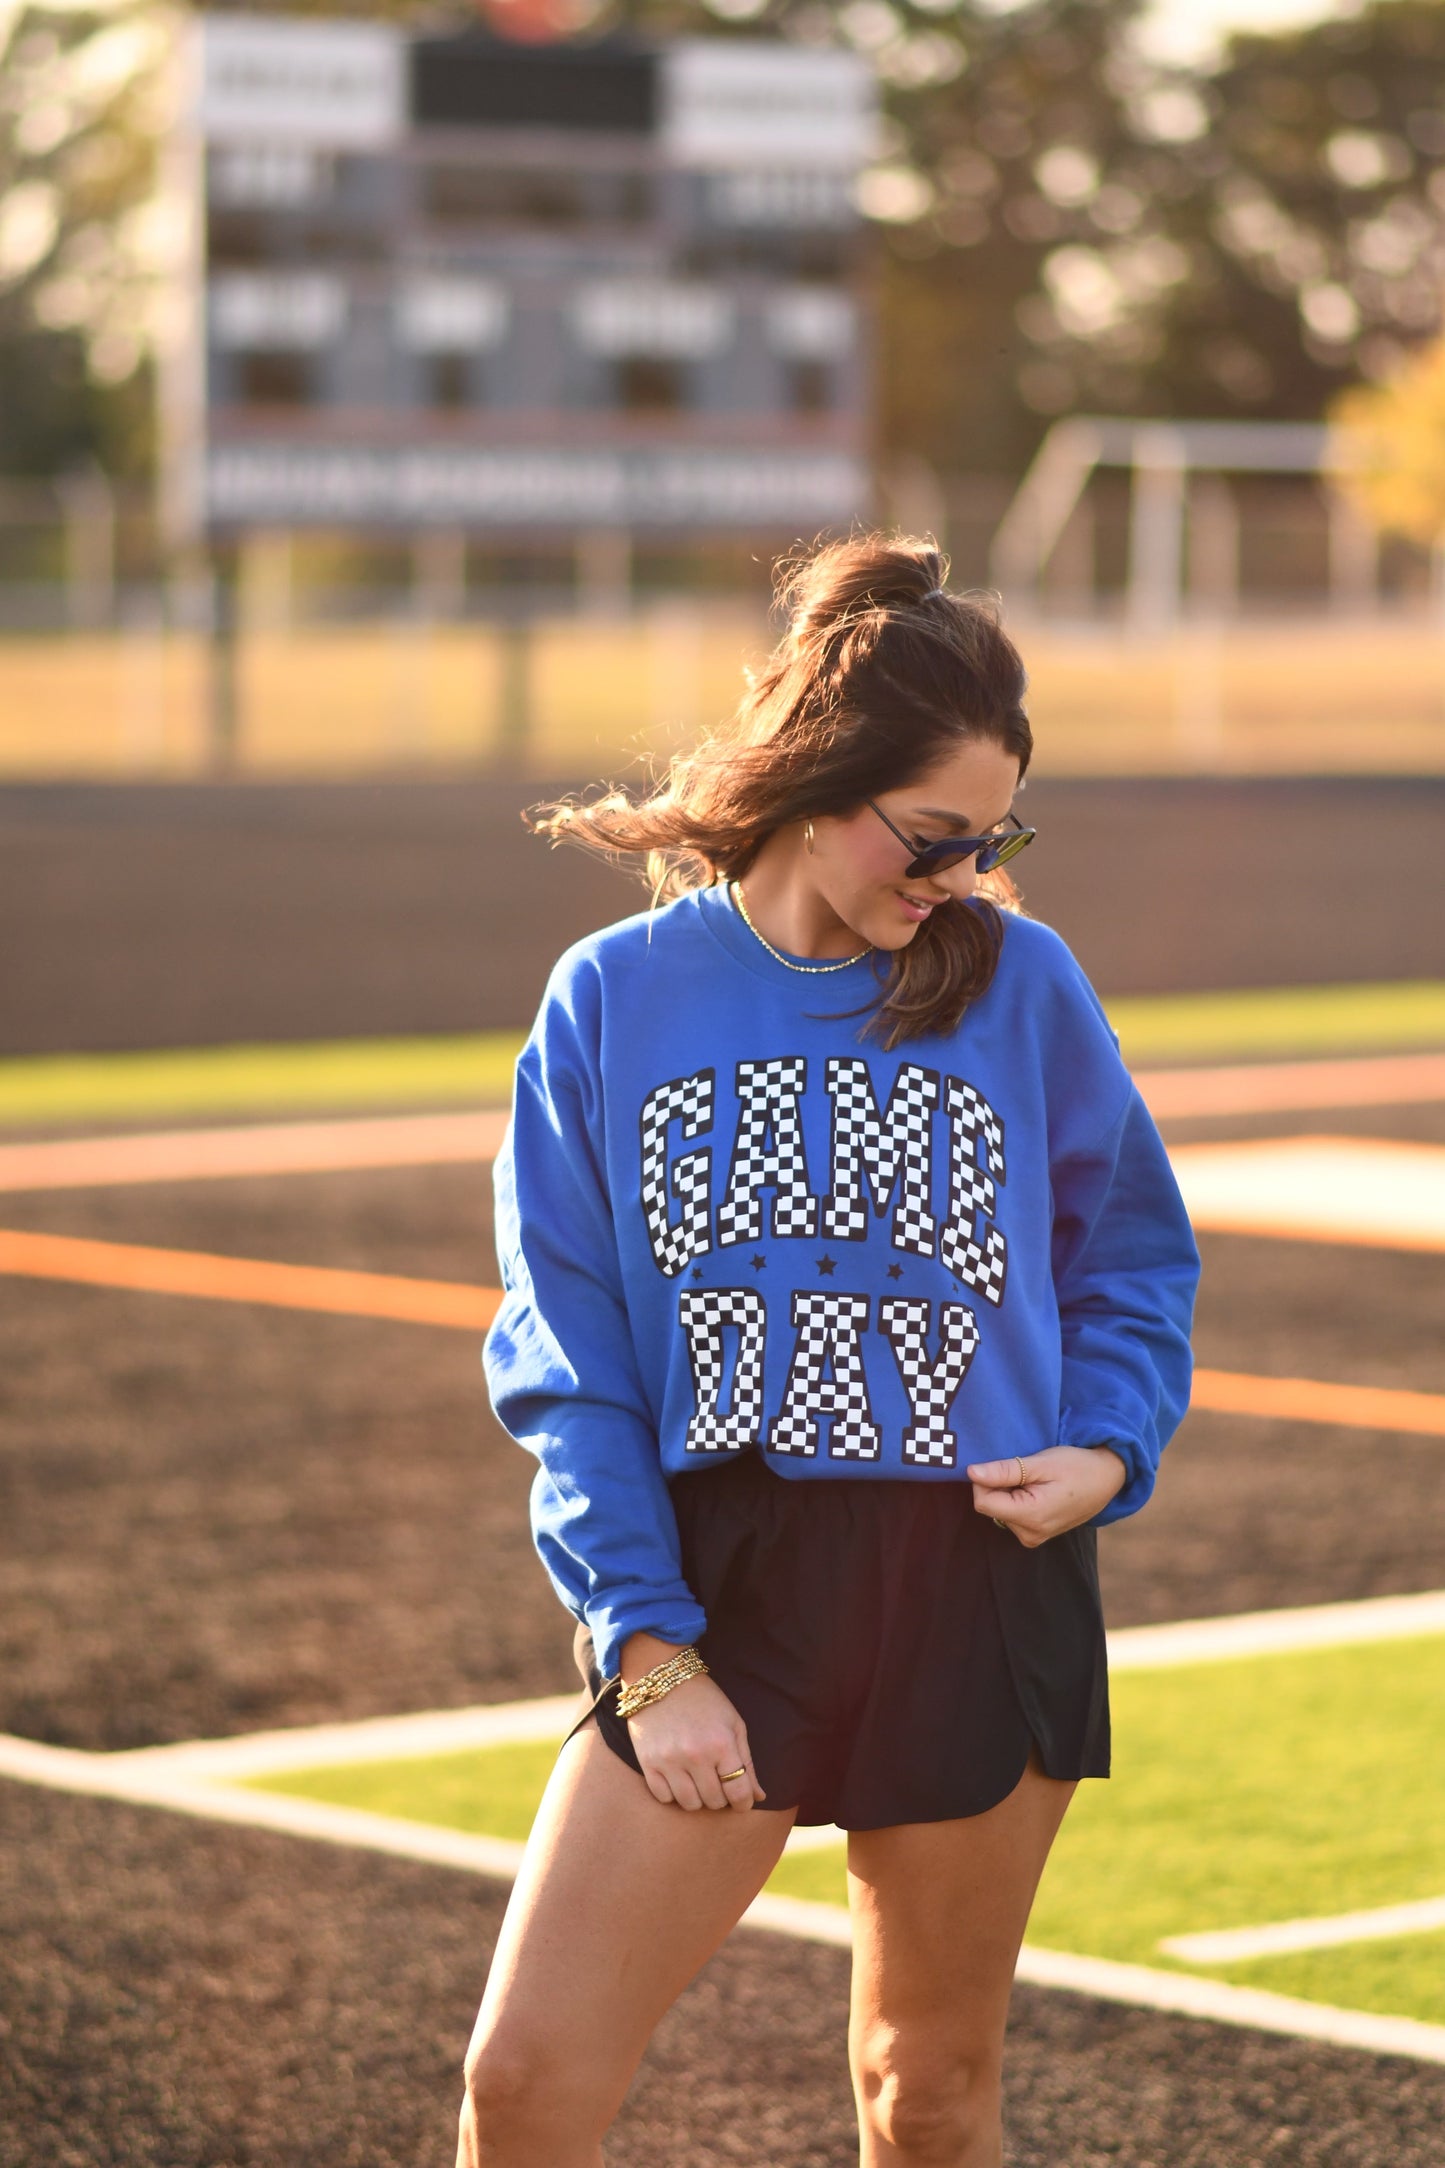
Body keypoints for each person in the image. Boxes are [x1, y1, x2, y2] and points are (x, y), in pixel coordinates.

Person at [457, 533, 1199, 2168]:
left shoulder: (1021, 982)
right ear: (817, 781)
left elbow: (1131, 1255)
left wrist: (1106, 1446)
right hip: (728, 1582)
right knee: (526, 2082)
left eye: (992, 838)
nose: (959, 876)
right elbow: (564, 1355)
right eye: (931, 837)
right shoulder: (612, 999)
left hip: (977, 1573)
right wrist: (648, 1648)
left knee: (924, 2093)